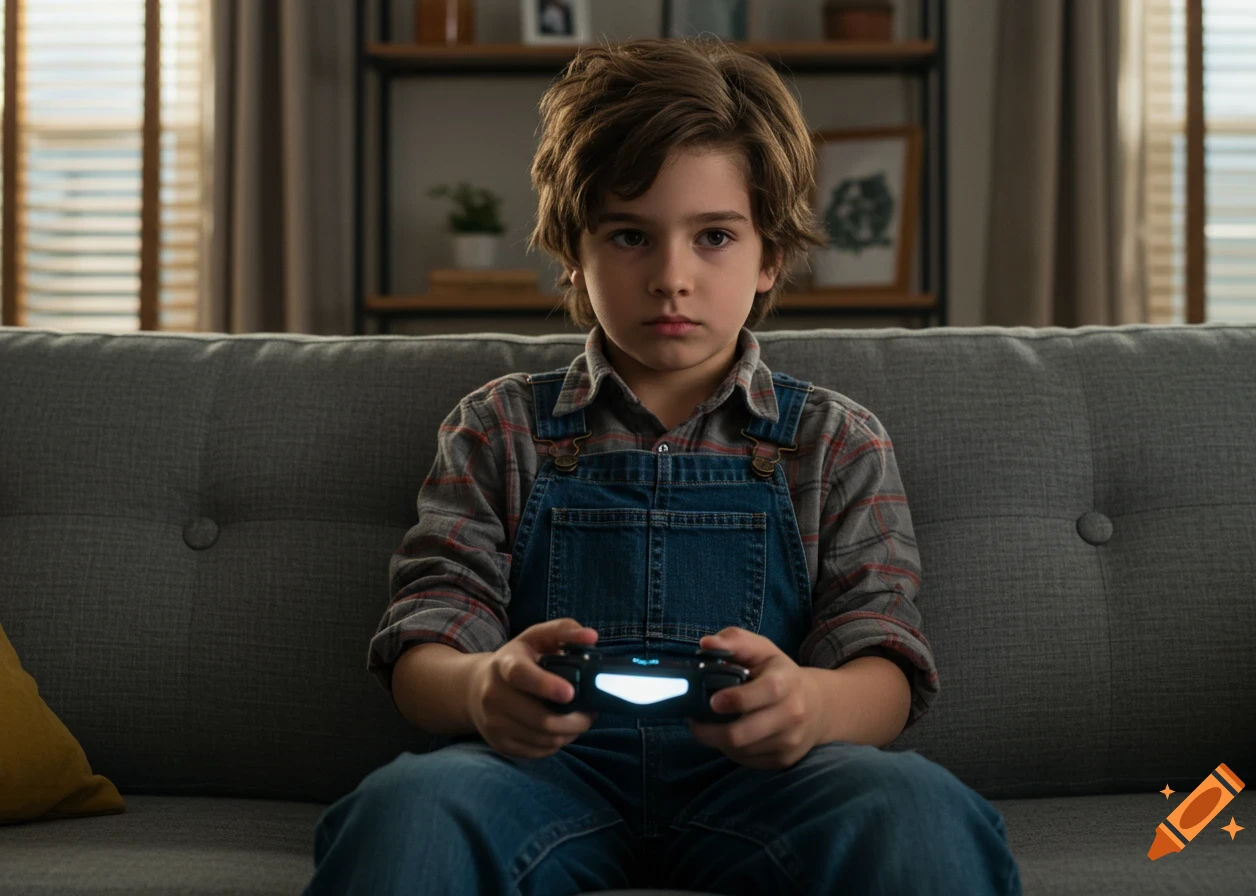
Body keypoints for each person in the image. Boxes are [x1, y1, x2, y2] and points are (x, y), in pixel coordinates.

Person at [303, 37, 1022, 896]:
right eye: (631, 236)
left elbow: (886, 656)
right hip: (539, 774)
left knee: (916, 810)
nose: (671, 278)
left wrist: (813, 707)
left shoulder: (835, 440)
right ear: (575, 252)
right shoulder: (499, 427)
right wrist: (481, 687)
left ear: (770, 259)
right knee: (408, 811)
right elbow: (427, 637)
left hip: (770, 780)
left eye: (714, 235)